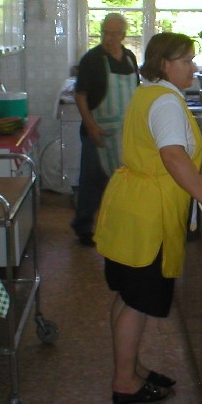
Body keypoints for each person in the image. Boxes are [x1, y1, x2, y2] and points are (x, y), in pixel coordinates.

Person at [94, 32, 202, 404]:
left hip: (131, 205)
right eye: (186, 60)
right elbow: (171, 155)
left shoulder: (149, 93)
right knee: (137, 300)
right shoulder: (167, 103)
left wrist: (194, 164)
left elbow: (162, 149)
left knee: (128, 296)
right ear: (164, 64)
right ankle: (124, 383)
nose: (193, 66)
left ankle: (131, 368)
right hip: (148, 214)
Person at [70, 13, 140, 246]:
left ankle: (118, 223)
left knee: (122, 180)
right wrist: (91, 126)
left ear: (123, 35)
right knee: (92, 180)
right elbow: (80, 95)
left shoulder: (129, 58)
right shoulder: (91, 59)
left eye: (114, 34)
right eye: (105, 33)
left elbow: (135, 93)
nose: (109, 38)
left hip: (124, 131)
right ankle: (83, 227)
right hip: (98, 130)